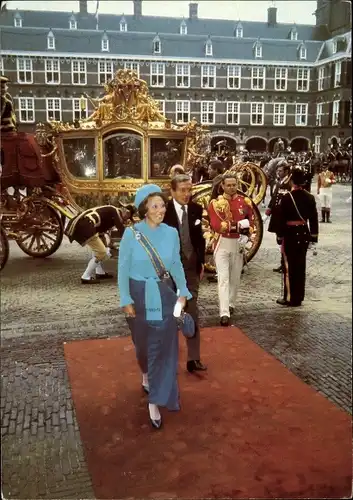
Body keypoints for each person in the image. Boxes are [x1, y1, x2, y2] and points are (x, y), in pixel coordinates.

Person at [118, 184, 192, 429]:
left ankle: (156, 400)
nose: (161, 210)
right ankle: (146, 373)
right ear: (145, 210)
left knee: (164, 347)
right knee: (142, 347)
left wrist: (183, 291)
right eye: (155, 206)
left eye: (162, 205)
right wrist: (125, 300)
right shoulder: (131, 234)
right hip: (138, 295)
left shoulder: (171, 233)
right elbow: (122, 270)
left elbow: (177, 265)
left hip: (163, 294)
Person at [163, 174, 207, 373]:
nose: (187, 194)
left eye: (190, 190)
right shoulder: (162, 211)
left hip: (190, 269)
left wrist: (201, 262)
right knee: (168, 314)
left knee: (192, 311)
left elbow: (199, 239)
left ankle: (193, 358)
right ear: (172, 191)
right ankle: (166, 358)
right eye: (183, 190)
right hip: (168, 272)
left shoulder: (197, 209)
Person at [208, 172, 255, 326]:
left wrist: (247, 232)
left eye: (234, 185)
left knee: (235, 278)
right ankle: (224, 312)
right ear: (222, 186)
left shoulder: (245, 202)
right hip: (222, 243)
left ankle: (231, 304)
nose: (231, 187)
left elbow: (253, 222)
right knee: (223, 278)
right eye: (228, 185)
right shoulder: (215, 204)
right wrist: (241, 225)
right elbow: (218, 226)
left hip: (239, 244)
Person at [276, 168, 319, 307]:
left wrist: (280, 235)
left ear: (292, 181)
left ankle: (290, 297)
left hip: (290, 234)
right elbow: (313, 219)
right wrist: (313, 236)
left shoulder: (287, 197)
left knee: (289, 267)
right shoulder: (310, 197)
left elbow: (281, 219)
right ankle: (299, 296)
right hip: (304, 233)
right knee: (301, 266)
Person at [65, 205, 132, 284]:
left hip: (84, 224)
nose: (126, 220)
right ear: (127, 212)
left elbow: (101, 233)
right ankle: (85, 276)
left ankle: (99, 272)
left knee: (99, 248)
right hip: (85, 226)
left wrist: (108, 246)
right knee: (102, 253)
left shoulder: (109, 210)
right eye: (128, 217)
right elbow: (122, 231)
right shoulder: (115, 212)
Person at [264, 163, 292, 273]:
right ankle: (283, 263)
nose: (278, 173)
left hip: (284, 216)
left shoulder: (289, 183)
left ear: (286, 172)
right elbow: (275, 197)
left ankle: (285, 264)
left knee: (285, 241)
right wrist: (269, 210)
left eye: (280, 171)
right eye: (278, 171)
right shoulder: (279, 182)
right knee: (280, 240)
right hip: (277, 215)